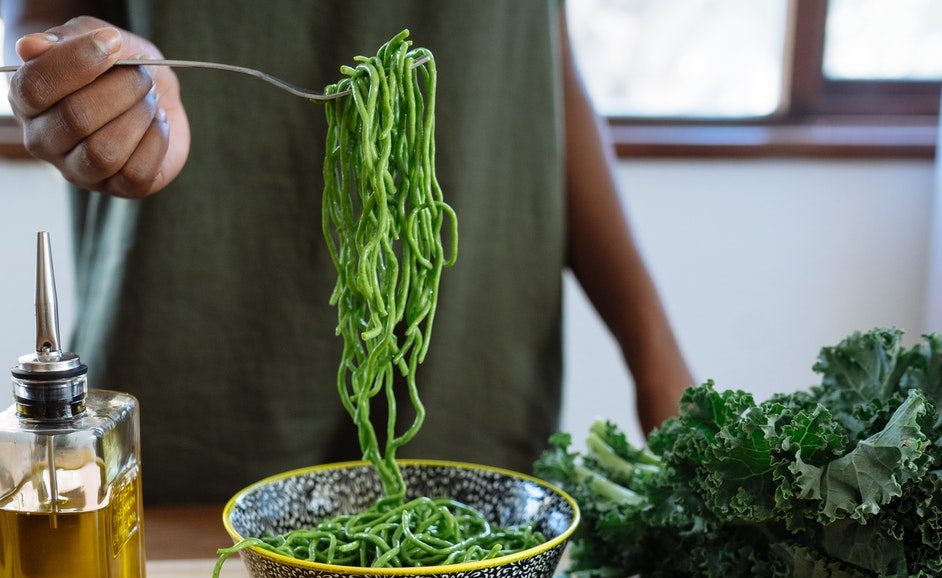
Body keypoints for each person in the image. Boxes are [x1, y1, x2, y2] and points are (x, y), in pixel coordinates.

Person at [2, 1, 692, 504]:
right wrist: (91, 75)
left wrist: (655, 358)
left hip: (474, 380)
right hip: (201, 364)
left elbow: (543, 55)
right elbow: (42, 20)